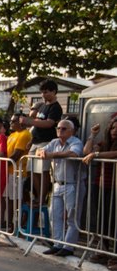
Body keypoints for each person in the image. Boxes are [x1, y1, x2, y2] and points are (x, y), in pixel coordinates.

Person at [36, 119, 84, 257]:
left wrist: (51, 155)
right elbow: (42, 150)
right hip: (57, 183)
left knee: (72, 217)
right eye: (58, 128)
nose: (60, 131)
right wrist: (42, 153)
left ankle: (68, 246)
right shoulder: (54, 142)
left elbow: (73, 153)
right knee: (54, 215)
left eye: (63, 129)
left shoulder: (76, 142)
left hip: (72, 184)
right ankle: (57, 243)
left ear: (71, 131)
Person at [22, 79, 63, 212]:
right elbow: (38, 123)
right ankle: (37, 195)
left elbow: (48, 123)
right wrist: (32, 139)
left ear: (53, 91)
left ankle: (42, 197)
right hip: (36, 141)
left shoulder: (56, 107)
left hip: (46, 142)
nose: (43, 95)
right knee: (32, 170)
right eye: (42, 93)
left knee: (43, 171)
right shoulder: (43, 106)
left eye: (46, 92)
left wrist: (31, 121)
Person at [82, 119, 117, 271]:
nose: (114, 130)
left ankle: (114, 255)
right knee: (103, 219)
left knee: (114, 221)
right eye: (113, 128)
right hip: (102, 185)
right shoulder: (104, 142)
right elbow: (86, 152)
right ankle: (104, 250)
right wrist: (92, 135)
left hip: (114, 186)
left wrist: (96, 154)